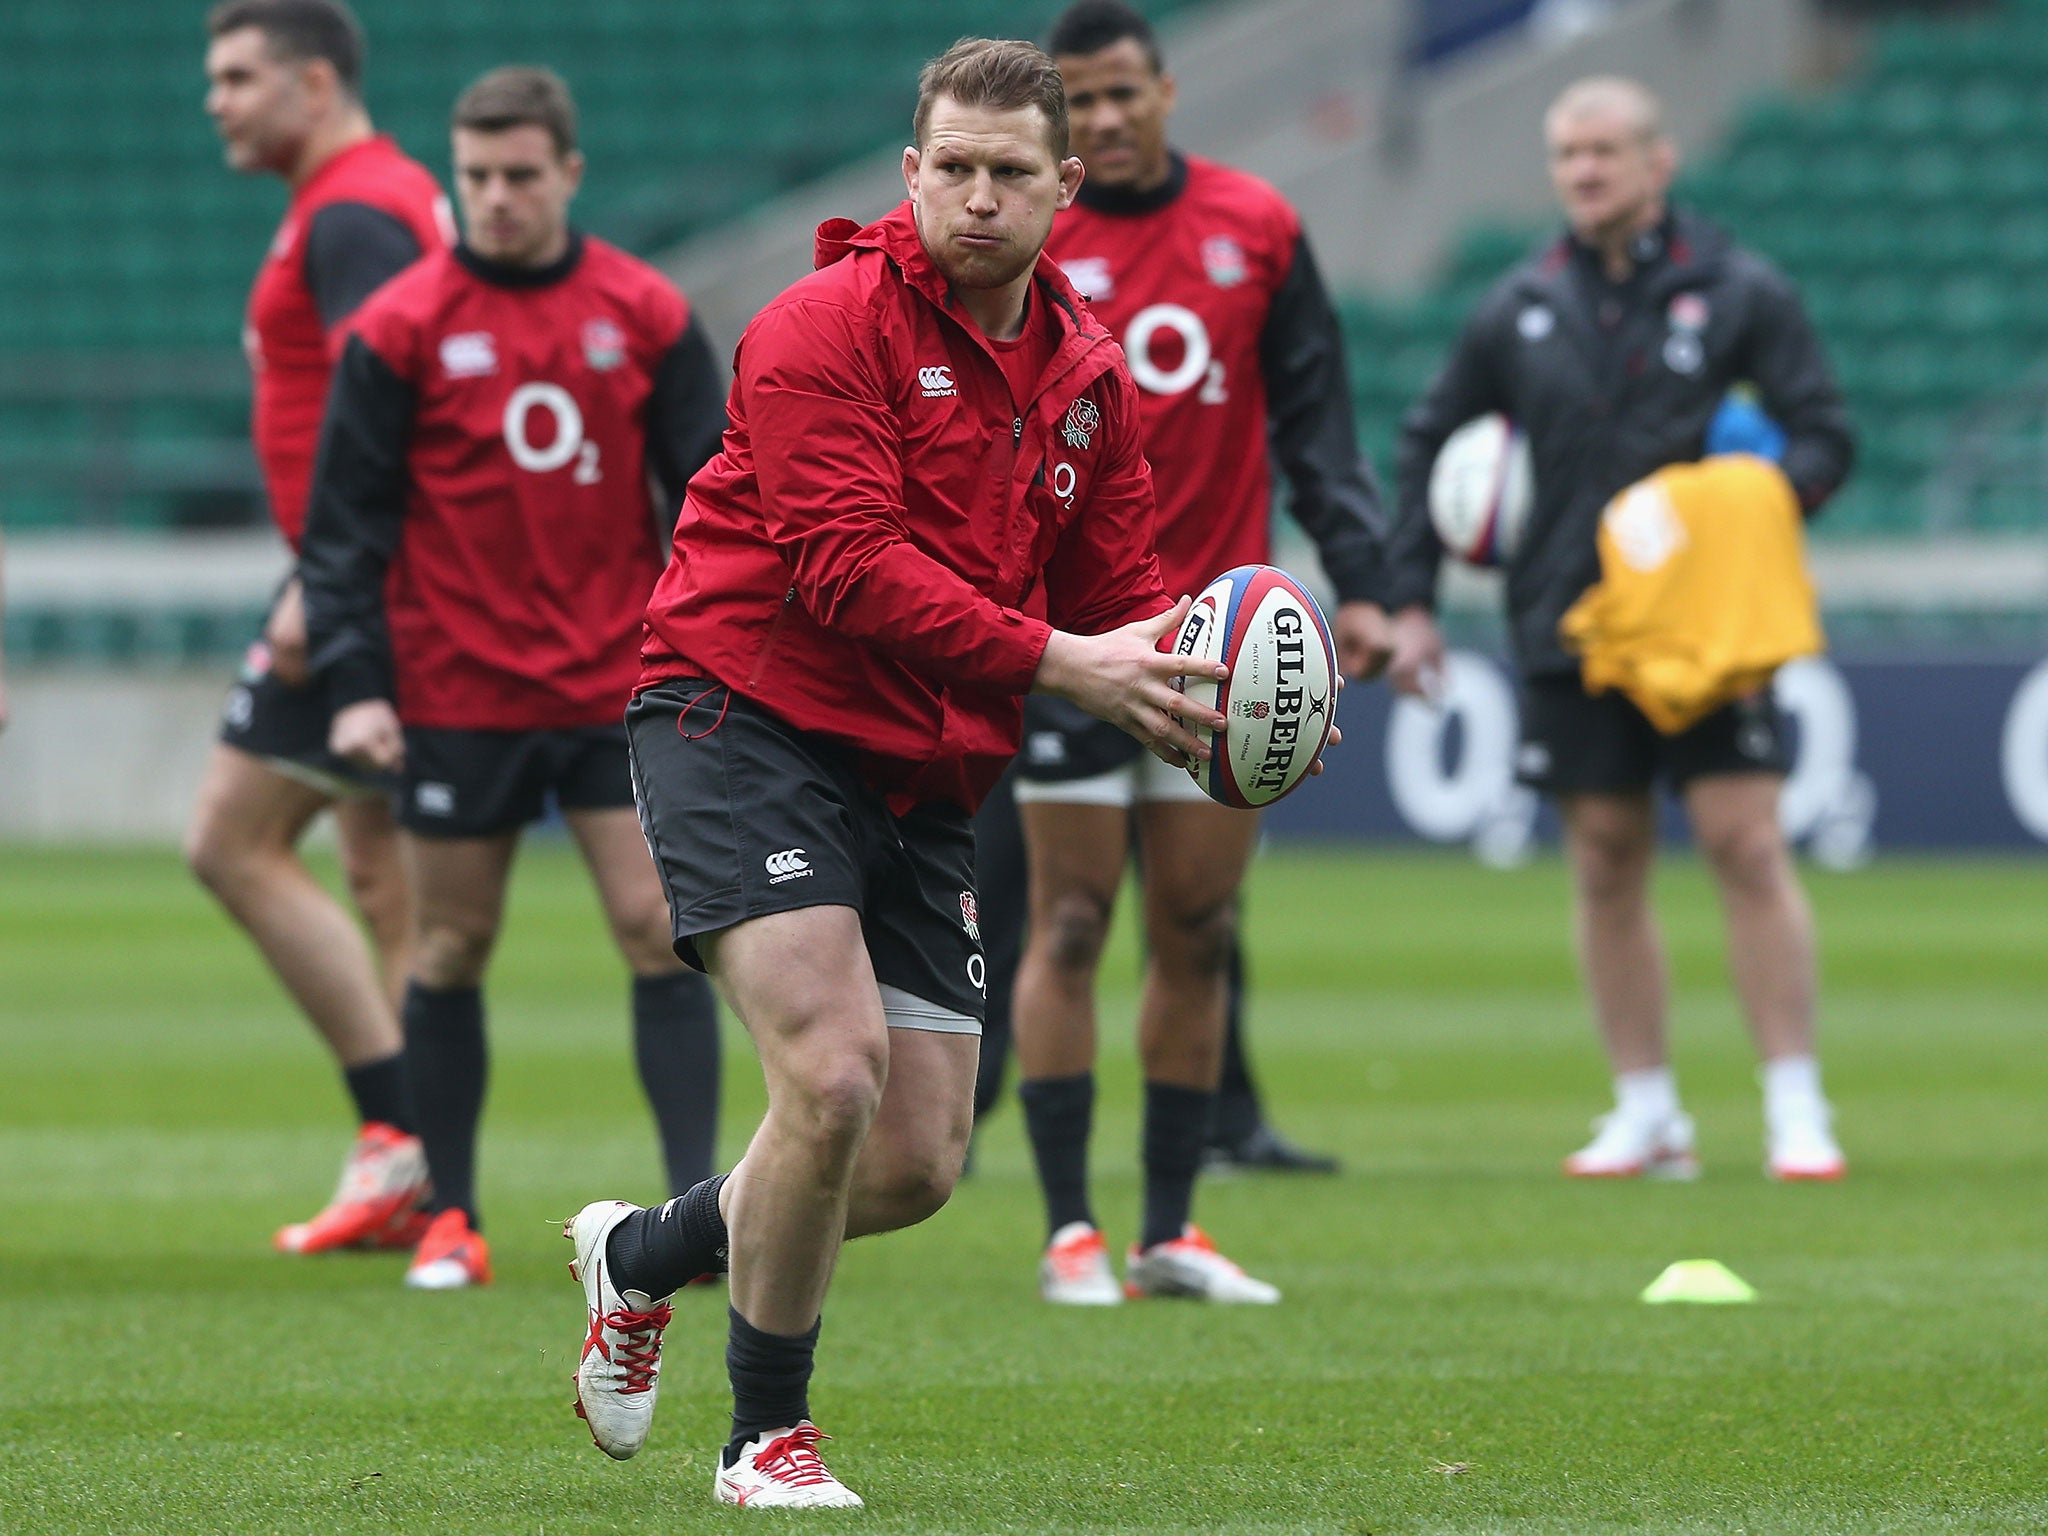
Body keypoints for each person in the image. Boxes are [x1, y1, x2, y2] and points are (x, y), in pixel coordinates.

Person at [554, 38, 1309, 1509]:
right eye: (951, 168)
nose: (977, 197)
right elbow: (845, 571)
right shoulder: (814, 327)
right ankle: (766, 1437)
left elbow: (1125, 604)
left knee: (907, 1164)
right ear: (909, 173)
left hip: (920, 766)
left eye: (1010, 174)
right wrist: (1068, 661)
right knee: (829, 1081)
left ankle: (638, 1256)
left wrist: (1230, 702)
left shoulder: (1091, 380)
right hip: (741, 717)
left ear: (1065, 189)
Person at [299, 66, 727, 1289]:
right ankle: (453, 1216)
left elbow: (706, 492)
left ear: (568, 175)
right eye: (475, 176)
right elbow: (346, 529)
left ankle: (691, 1214)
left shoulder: (640, 310)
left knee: (657, 932)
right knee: (451, 944)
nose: (495, 197)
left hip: (615, 681)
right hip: (454, 690)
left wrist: (703, 648)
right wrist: (356, 683)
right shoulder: (400, 324)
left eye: (519, 176)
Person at [1385, 77, 1855, 1182]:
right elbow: (1427, 441)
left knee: (1745, 845)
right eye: (1565, 154)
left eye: (1603, 152)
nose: (1582, 171)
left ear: (1658, 161)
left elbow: (1824, 436)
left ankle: (1795, 1103)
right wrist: (1407, 597)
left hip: (1702, 629)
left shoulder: (1737, 290)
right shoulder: (1517, 303)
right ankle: (1646, 1112)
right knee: (1602, 861)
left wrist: (1739, 510)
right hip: (1565, 621)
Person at [994, 0, 1391, 1309]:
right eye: (1079, 101)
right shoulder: (1021, 239)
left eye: (1122, 94)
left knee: (1201, 930)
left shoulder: (1258, 227)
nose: (1103, 121)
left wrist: (1370, 587)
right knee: (1065, 920)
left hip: (1222, 640)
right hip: (1071, 636)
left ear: (1166, 91)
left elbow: (1319, 418)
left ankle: (1170, 1229)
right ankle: (1068, 1233)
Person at [190, 0, 450, 1255]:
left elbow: (388, 391)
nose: (216, 99)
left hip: (356, 584)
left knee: (230, 841)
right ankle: (424, 1173)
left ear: (310, 80)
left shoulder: (352, 211)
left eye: (236, 76)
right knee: (382, 885)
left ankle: (398, 1139)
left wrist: (322, 584)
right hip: (376, 577)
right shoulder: (365, 193)